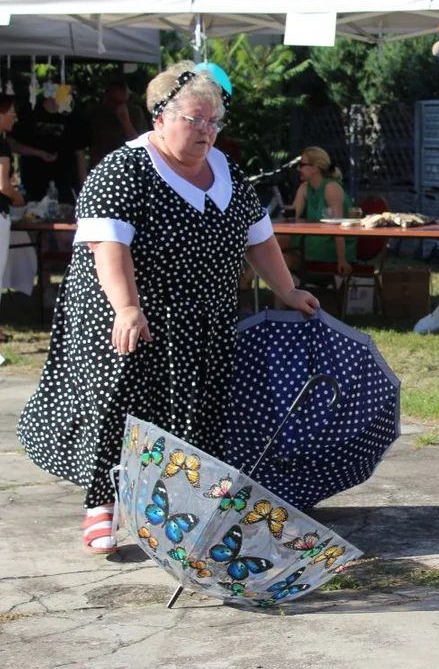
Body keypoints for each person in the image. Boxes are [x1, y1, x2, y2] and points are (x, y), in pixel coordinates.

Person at [16, 61, 319, 555]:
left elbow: (259, 240)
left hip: (205, 319)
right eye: (195, 120)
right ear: (160, 116)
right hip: (132, 313)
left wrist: (287, 290)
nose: (207, 132)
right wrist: (128, 308)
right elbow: (108, 247)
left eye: (214, 122)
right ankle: (102, 505)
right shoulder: (123, 170)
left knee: (202, 408)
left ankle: (191, 507)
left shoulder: (227, 172)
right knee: (121, 406)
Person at [287, 146, 355, 276]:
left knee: (276, 246)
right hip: (315, 240)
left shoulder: (331, 188)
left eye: (302, 165)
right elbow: (292, 216)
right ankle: (244, 279)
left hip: (332, 245)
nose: (298, 169)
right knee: (275, 244)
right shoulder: (305, 188)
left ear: (315, 168)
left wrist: (342, 259)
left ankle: (244, 279)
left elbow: (338, 227)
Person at [12, 94, 84, 203]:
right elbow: (12, 144)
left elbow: (80, 154)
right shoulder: (30, 110)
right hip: (34, 183)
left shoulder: (74, 116)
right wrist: (38, 153)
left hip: (66, 184)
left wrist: (85, 190)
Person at [0, 96, 28, 343]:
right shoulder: (2, 145)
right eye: (11, 112)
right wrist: (18, 197)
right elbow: (3, 185)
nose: (15, 118)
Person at [86, 75, 149, 171]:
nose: (122, 106)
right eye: (118, 102)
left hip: (131, 165)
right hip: (105, 165)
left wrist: (126, 122)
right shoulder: (97, 115)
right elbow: (94, 147)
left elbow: (140, 145)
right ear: (107, 98)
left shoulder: (135, 112)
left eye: (125, 102)